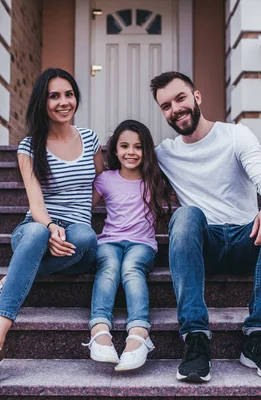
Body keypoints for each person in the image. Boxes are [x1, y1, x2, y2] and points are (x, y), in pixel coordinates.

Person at [150, 71, 261, 383]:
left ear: (197, 97)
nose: (175, 109)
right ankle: (195, 337)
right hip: (207, 245)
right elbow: (120, 163)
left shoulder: (236, 135)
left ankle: (257, 336)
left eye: (180, 98)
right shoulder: (165, 153)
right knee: (186, 215)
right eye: (166, 106)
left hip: (248, 239)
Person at [0, 68, 104, 387]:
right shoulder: (29, 146)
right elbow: (36, 204)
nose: (64, 102)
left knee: (87, 236)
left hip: (74, 239)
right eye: (55, 96)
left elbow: (102, 182)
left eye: (69, 94)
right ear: (43, 102)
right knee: (38, 233)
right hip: (36, 228)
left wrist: (83, 210)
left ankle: (5, 281)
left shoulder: (90, 138)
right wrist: (52, 227)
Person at [84, 119, 170, 371]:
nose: (131, 152)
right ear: (115, 150)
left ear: (147, 151)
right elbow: (83, 208)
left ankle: (139, 331)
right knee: (109, 266)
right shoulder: (106, 179)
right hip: (109, 241)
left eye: (138, 147)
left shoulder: (155, 180)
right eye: (124, 146)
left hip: (142, 244)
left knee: (131, 269)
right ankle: (99, 329)